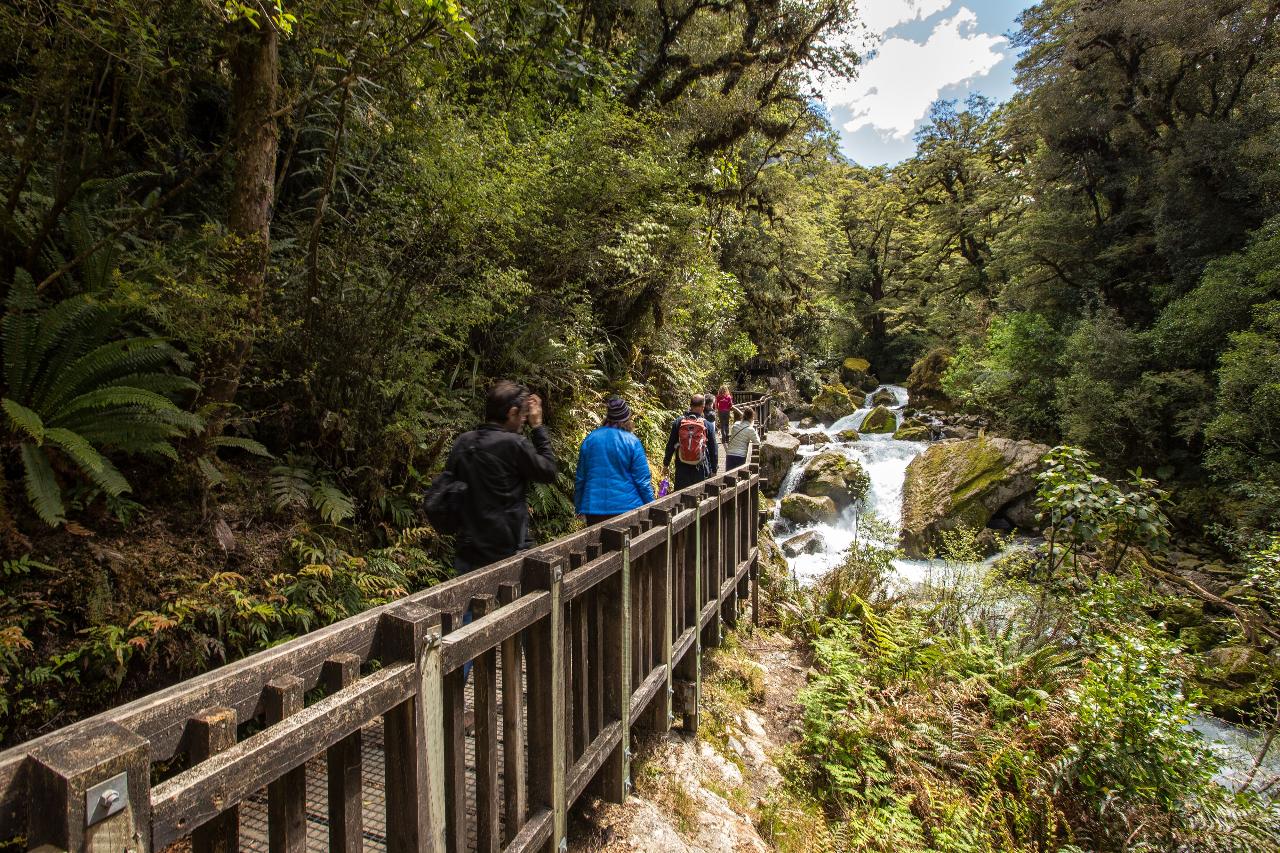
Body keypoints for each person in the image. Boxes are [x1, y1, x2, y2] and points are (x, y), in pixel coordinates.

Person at [445, 380, 558, 574]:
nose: (524, 420)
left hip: (468, 550)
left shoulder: (463, 442)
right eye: (522, 415)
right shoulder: (514, 444)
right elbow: (548, 471)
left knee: (472, 601)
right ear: (511, 412)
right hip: (505, 552)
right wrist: (538, 427)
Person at [574, 397, 655, 525]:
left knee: (599, 545)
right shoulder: (632, 442)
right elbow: (642, 481)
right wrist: (652, 506)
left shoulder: (590, 439)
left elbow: (580, 478)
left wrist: (578, 506)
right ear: (627, 419)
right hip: (627, 508)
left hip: (594, 509)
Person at [663, 393, 719, 490]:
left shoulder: (679, 422)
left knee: (680, 498)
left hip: (682, 469)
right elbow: (714, 449)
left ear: (690, 405)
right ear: (703, 406)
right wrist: (714, 469)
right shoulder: (707, 425)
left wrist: (666, 464)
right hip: (700, 468)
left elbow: (671, 445)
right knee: (700, 498)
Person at [724, 406, 760, 470]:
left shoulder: (735, 425)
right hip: (741, 456)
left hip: (730, 454)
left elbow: (742, 425)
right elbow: (757, 442)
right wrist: (752, 427)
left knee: (728, 476)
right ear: (752, 417)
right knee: (738, 477)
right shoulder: (750, 430)